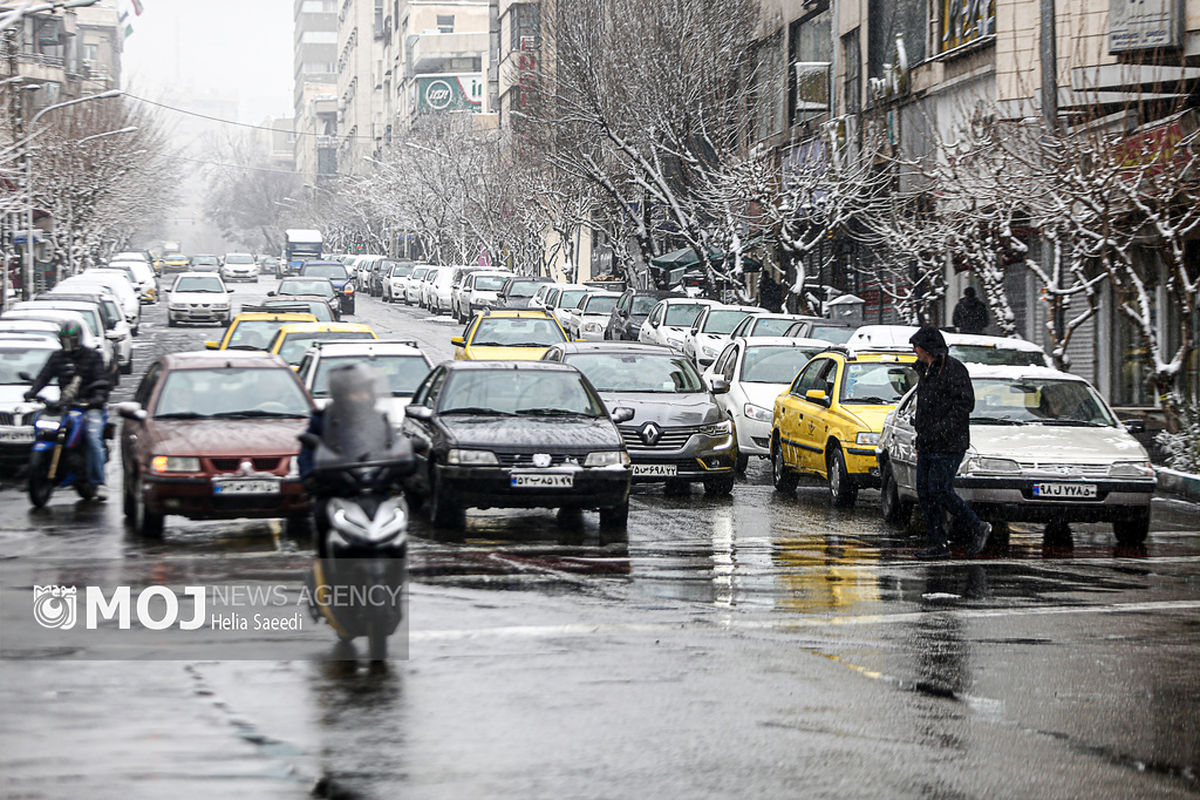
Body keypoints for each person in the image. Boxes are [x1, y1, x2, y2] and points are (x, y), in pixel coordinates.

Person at [909, 325, 991, 559]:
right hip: (926, 442)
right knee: (925, 493)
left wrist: (942, 430)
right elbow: (925, 406)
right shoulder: (925, 370)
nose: (914, 351)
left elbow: (965, 404)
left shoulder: (954, 370)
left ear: (927, 348)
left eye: (917, 346)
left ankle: (977, 527)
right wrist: (921, 435)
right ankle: (938, 542)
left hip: (949, 443)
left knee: (940, 489)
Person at [24, 320, 111, 500]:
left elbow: (102, 381)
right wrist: (32, 392)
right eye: (64, 340)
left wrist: (97, 398)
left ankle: (99, 482)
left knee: (93, 437)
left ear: (78, 338)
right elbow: (44, 376)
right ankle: (46, 468)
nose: (68, 344)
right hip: (65, 406)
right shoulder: (57, 357)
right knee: (44, 425)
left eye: (71, 339)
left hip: (89, 406)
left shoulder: (93, 357)